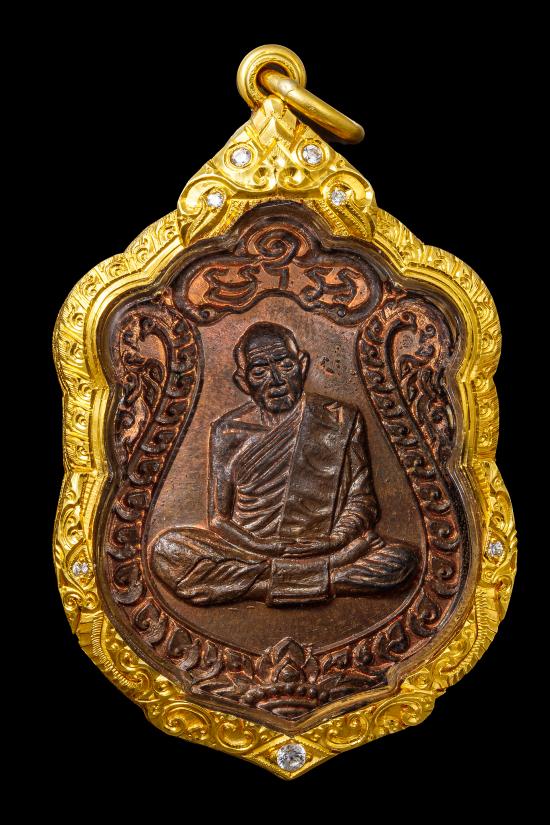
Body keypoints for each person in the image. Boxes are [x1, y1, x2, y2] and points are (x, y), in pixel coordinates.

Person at [151, 322, 418, 606]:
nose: (276, 380)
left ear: (302, 365)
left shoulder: (341, 418)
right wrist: (264, 546)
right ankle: (329, 577)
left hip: (323, 546)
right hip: (252, 551)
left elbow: (361, 500)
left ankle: (261, 584)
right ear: (243, 382)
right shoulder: (228, 431)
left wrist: (336, 540)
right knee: (168, 549)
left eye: (285, 365)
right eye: (259, 372)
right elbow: (218, 518)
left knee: (401, 560)